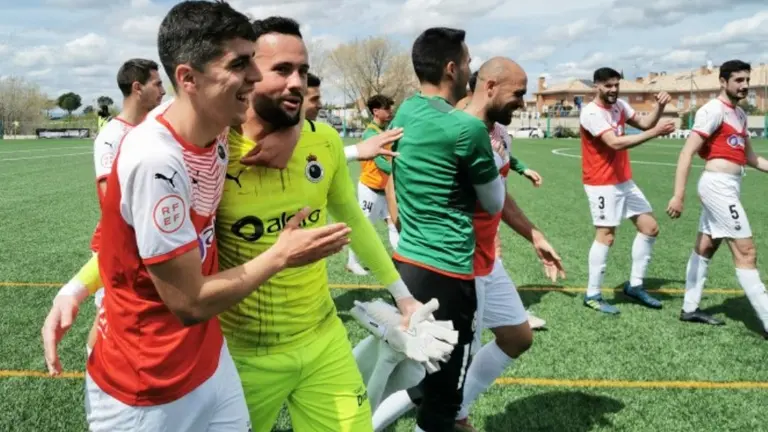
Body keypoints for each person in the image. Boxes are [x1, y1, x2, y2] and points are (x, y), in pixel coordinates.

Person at [80, 3, 350, 431]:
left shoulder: (215, 127)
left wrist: (291, 130)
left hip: (211, 365)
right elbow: (189, 303)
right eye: (240, 64)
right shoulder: (155, 161)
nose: (256, 77)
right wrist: (279, 255)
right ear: (188, 78)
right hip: (147, 386)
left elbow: (278, 108)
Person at [215, 16, 424, 432]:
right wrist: (80, 290)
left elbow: (355, 224)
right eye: (282, 70)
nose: (297, 82)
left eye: (302, 70)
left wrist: (404, 297)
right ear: (248, 72)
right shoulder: (211, 147)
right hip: (242, 354)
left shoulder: (323, 140)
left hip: (322, 339)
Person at [374, 57, 565, 432]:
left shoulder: (499, 135)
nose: (523, 104)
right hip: (455, 264)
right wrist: (399, 213)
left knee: (516, 336)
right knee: (432, 377)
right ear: (490, 87)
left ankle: (459, 410)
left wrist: (534, 234)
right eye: (518, 94)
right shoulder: (451, 124)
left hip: (487, 261)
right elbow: (390, 165)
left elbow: (498, 194)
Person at [388, 27, 505, 432]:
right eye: (469, 62)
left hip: (408, 264)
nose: (471, 69)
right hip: (450, 272)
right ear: (451, 68)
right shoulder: (466, 129)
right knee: (444, 397)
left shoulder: (405, 111)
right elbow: (494, 203)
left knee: (416, 370)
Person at [46, 58, 165, 363]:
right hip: (119, 245)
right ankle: (95, 368)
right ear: (138, 88)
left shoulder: (155, 128)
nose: (163, 90)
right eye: (157, 83)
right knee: (110, 320)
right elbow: (108, 196)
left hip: (151, 240)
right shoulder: (112, 135)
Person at [667, 59, 768, 333]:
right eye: (738, 80)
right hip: (717, 187)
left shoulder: (740, 115)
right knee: (746, 252)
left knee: (706, 246)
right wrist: (678, 195)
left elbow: (750, 158)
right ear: (723, 82)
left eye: (747, 80)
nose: (744, 85)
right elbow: (687, 152)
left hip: (730, 185)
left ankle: (690, 308)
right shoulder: (712, 110)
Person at [579, 67, 675, 314]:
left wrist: (659, 107)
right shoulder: (591, 113)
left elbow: (643, 123)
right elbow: (615, 142)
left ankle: (634, 286)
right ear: (596, 86)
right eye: (608, 85)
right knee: (606, 236)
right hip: (601, 183)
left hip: (624, 181)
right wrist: (657, 132)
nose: (613, 90)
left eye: (616, 85)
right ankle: (592, 294)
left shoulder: (620, 105)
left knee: (650, 228)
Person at [347, 94, 399, 275]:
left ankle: (402, 260)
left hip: (384, 189)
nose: (391, 111)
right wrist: (398, 170)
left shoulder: (385, 130)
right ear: (376, 111)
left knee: (393, 224)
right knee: (363, 228)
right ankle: (351, 262)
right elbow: (380, 162)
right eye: (387, 108)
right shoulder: (370, 133)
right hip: (370, 189)